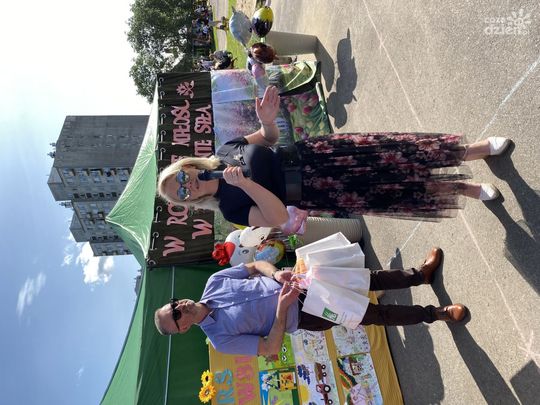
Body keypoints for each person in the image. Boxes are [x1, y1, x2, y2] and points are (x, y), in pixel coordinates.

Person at [157, 86, 511, 227]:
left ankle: (474, 151)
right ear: (189, 202)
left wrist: (266, 122)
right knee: (394, 189)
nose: (188, 186)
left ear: (188, 166)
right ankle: (464, 189)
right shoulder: (231, 210)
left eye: (182, 178)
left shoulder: (225, 150)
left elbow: (268, 139)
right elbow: (278, 217)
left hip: (319, 155)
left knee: (398, 154)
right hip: (321, 190)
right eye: (182, 193)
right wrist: (247, 186)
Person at [154, 248, 469, 355]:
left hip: (300, 282)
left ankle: (420, 275)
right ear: (182, 329)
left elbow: (253, 266)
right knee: (373, 314)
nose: (180, 307)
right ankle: (437, 313)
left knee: (366, 279)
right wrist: (281, 311)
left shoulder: (214, 282)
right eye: (176, 316)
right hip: (307, 314)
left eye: (174, 304)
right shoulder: (220, 340)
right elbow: (270, 348)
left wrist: (275, 273)